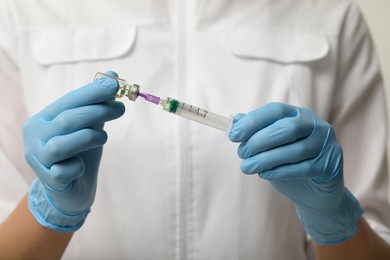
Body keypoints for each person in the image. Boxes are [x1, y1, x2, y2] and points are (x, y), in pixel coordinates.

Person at [1, 0, 390, 259]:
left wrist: (333, 217)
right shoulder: (23, 10)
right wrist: (48, 211)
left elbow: (377, 241)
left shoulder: (329, 12)